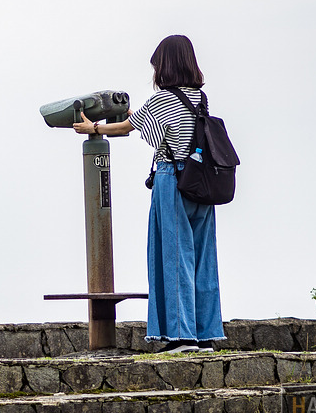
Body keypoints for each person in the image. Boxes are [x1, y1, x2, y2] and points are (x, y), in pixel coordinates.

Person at [72, 35, 224, 353]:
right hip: (204, 184)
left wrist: (95, 129)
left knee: (173, 256)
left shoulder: (163, 99)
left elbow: (131, 126)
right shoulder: (200, 97)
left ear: (164, 66)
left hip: (173, 180)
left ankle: (181, 337)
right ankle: (205, 334)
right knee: (202, 259)